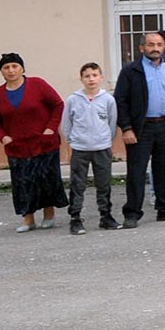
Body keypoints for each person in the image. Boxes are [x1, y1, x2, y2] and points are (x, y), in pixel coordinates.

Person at [0, 52, 67, 232]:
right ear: (1, 71)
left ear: (22, 68)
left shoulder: (38, 84)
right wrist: (3, 137)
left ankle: (49, 215)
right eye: (6, 67)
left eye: (14, 66)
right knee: (22, 183)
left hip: (43, 143)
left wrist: (50, 129)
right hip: (17, 147)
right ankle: (28, 219)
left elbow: (58, 104)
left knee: (46, 179)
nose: (11, 71)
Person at [115, 31, 165, 226]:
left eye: (159, 44)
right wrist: (126, 128)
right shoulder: (131, 70)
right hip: (140, 129)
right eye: (151, 45)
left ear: (164, 47)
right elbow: (121, 101)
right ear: (142, 48)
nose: (155, 48)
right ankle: (132, 213)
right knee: (137, 172)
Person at [63, 61, 118, 232]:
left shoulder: (108, 99)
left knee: (103, 183)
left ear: (101, 77)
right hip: (80, 148)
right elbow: (67, 123)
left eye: (94, 75)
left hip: (102, 147)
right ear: (81, 79)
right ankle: (75, 217)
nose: (91, 79)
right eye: (87, 76)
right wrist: (72, 141)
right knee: (77, 184)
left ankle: (105, 215)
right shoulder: (73, 99)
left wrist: (106, 139)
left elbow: (112, 121)